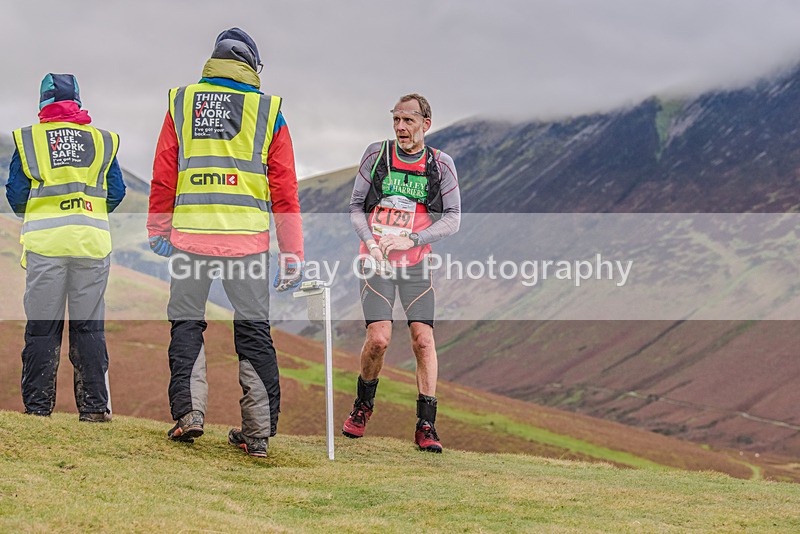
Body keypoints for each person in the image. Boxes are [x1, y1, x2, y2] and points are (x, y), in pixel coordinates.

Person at [147, 28, 304, 458]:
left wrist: (159, 228)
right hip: (247, 243)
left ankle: (190, 416)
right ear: (252, 65)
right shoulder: (269, 111)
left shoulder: (181, 103)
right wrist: (291, 253)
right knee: (253, 330)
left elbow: (165, 172)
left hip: (190, 238)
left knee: (186, 322)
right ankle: (256, 435)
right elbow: (284, 190)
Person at [343, 94, 461, 452]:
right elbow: (354, 207)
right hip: (375, 261)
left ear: (426, 124)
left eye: (408, 121)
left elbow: (453, 219)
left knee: (423, 339)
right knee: (378, 339)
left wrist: (412, 238)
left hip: (415, 264)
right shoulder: (376, 155)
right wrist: (373, 243)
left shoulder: (440, 164)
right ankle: (363, 406)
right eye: (396, 119)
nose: (400, 127)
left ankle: (426, 425)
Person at [6, 73, 126, 422]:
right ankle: (93, 409)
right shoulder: (102, 141)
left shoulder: (30, 140)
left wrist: (42, 214)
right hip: (91, 244)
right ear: (77, 100)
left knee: (43, 327)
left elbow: (15, 195)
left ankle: (38, 408)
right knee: (89, 328)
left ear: (42, 103)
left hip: (46, 246)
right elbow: (116, 192)